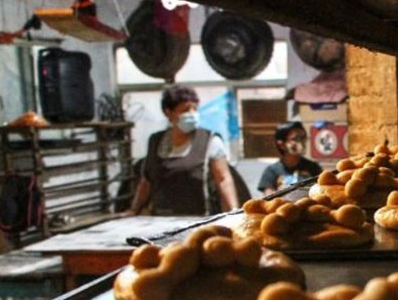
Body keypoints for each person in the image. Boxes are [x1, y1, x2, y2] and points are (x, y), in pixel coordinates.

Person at [125, 86, 239, 216]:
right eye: (185, 110)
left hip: (198, 218)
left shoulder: (210, 141)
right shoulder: (155, 141)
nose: (192, 114)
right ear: (169, 113)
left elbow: (223, 180)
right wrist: (134, 209)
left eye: (194, 109)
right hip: (159, 219)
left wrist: (233, 214)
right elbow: (146, 181)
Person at [257, 121, 324, 195]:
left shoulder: (313, 167)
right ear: (281, 144)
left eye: (303, 138)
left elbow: (323, 189)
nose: (301, 142)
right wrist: (279, 193)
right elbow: (268, 195)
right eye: (295, 139)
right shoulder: (272, 171)